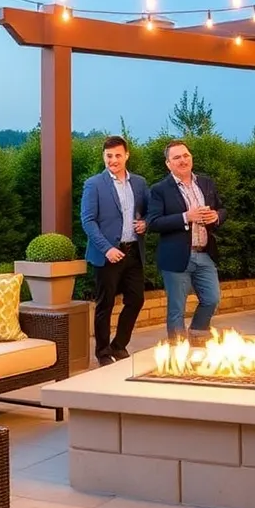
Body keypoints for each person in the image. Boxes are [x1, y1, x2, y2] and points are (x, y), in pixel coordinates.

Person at [79, 135, 149, 365]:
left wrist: (146, 222)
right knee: (105, 305)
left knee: (136, 300)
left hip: (133, 252)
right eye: (109, 156)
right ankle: (102, 352)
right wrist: (107, 248)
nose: (113, 160)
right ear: (104, 156)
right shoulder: (94, 184)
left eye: (118, 155)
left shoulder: (139, 183)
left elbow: (149, 212)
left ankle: (119, 345)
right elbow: (88, 220)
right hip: (107, 254)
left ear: (126, 155)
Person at [146, 140, 225, 342]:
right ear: (168, 163)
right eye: (176, 157)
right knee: (177, 309)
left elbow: (222, 208)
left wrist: (216, 216)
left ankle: (196, 338)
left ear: (191, 157)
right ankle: (177, 355)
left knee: (212, 299)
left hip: (204, 253)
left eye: (185, 155)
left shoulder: (206, 183)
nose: (183, 160)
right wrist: (185, 217)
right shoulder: (160, 189)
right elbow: (153, 222)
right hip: (177, 257)